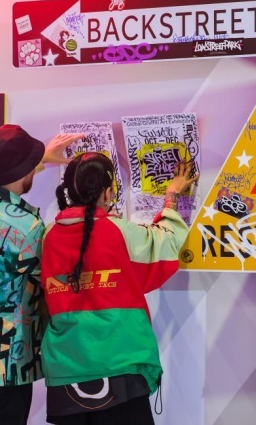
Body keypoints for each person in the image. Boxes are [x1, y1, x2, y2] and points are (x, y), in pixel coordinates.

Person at [40, 151, 199, 425]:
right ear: (108, 192)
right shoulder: (120, 231)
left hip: (65, 371)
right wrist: (171, 196)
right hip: (119, 365)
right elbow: (166, 242)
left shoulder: (48, 235)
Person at [0, 123, 83, 425]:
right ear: (23, 170)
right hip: (1, 368)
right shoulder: (27, 229)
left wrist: (38, 160)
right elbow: (49, 285)